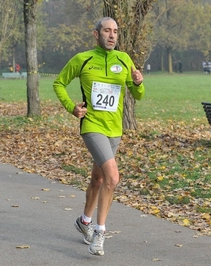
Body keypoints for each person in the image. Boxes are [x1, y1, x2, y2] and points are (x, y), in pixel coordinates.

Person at [53, 17, 145, 256]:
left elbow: (138, 95)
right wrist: (71, 107)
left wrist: (138, 83)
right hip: (92, 126)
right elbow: (59, 83)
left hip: (114, 130)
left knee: (98, 179)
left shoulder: (124, 59)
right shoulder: (82, 59)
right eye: (107, 31)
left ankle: (84, 221)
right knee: (112, 177)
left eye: (115, 31)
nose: (112, 35)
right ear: (96, 34)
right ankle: (99, 233)